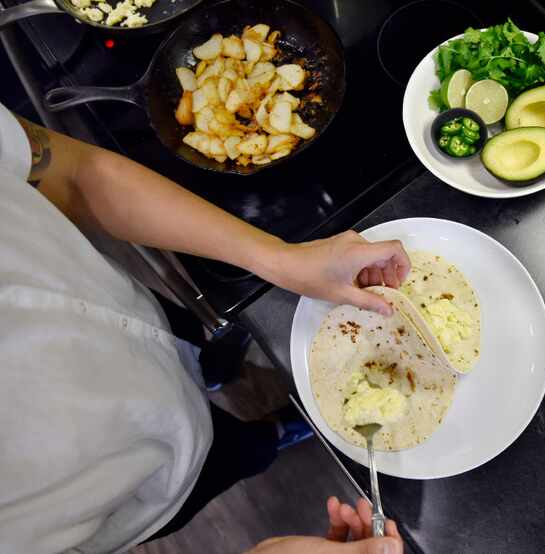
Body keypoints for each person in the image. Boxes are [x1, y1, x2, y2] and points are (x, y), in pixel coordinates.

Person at [0, 100, 405, 554]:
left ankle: (214, 374)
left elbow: (69, 173)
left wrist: (280, 258)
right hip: (144, 491)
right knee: (234, 457)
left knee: (196, 345)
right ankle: (270, 431)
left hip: (128, 314)